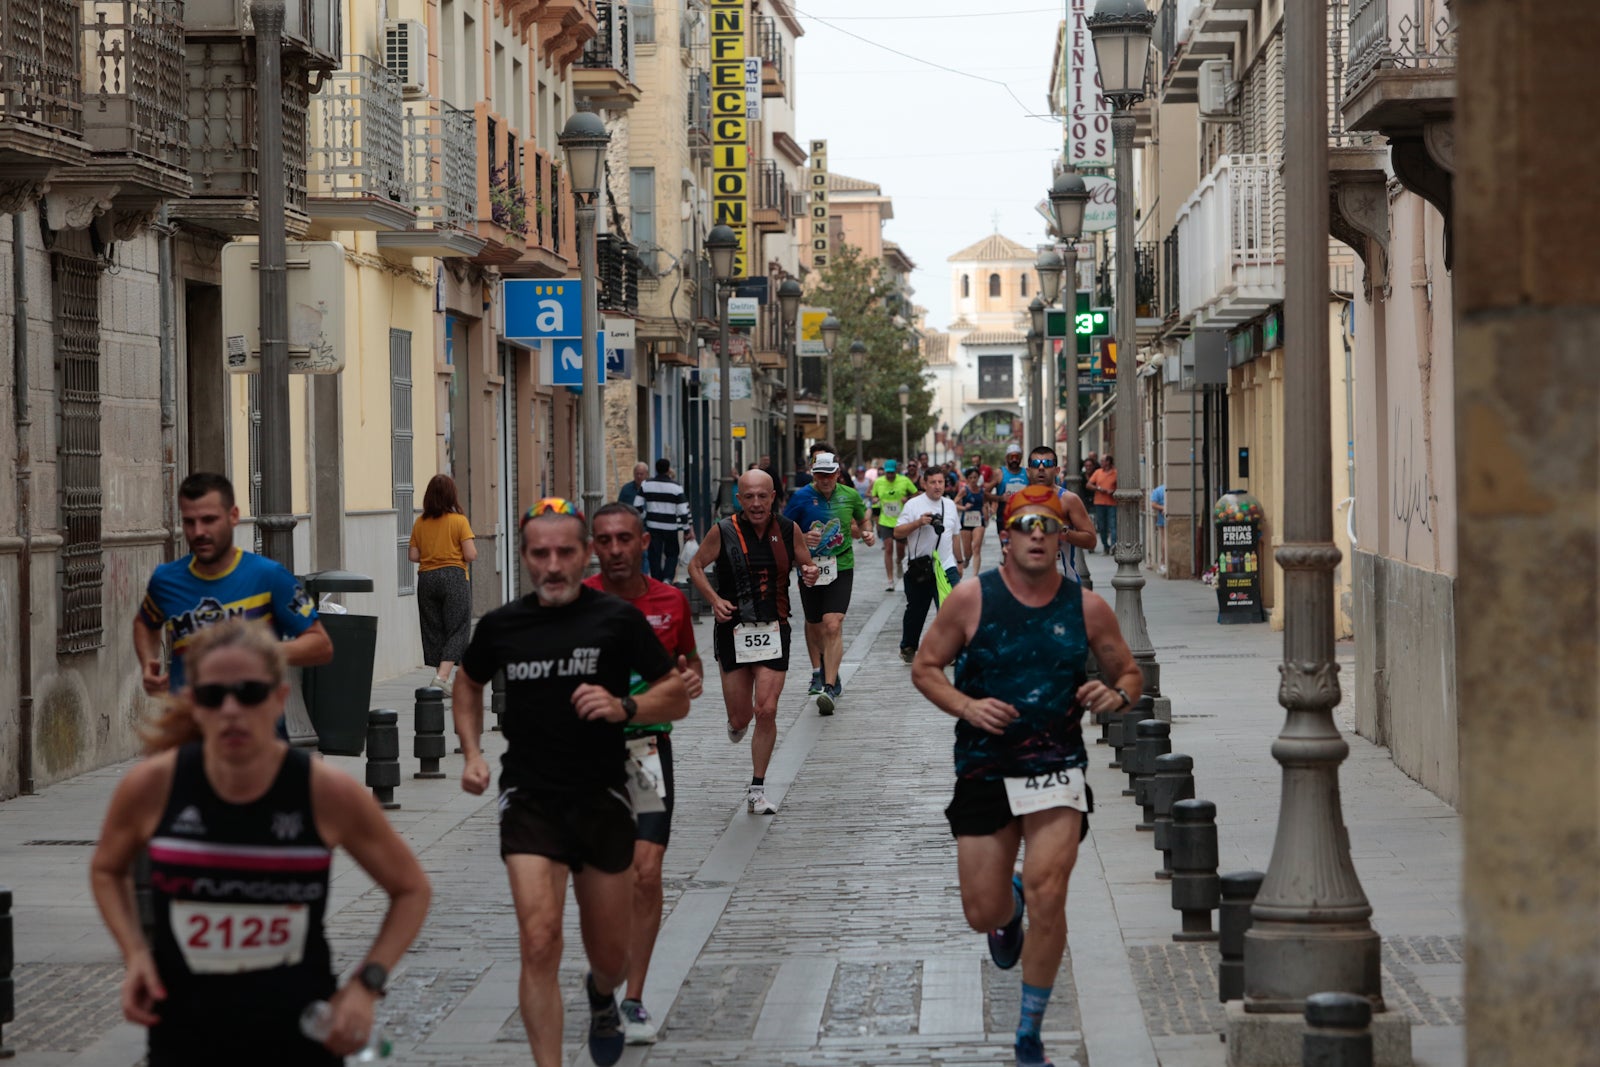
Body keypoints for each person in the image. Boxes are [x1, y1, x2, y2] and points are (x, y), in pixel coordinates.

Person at [90, 618, 431, 1066]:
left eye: (249, 693)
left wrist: (366, 986)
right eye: (213, 696)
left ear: (279, 698)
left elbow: (411, 889)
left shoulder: (324, 792)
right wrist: (135, 953)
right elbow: (106, 868)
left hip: (297, 1037)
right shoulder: (154, 785)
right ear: (193, 702)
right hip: (185, 1034)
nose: (231, 709)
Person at [452, 498, 690, 1067]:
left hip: (605, 794)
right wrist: (472, 752)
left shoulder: (616, 620)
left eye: (564, 552)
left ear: (584, 556)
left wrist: (624, 705)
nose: (553, 565)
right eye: (540, 554)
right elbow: (467, 681)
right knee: (539, 941)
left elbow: (676, 695)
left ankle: (604, 995)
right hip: (529, 798)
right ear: (524, 557)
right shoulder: (503, 625)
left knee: (611, 958)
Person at [910, 484, 1142, 1067]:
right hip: (984, 768)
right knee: (982, 912)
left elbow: (1129, 673)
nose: (1037, 535)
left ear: (1062, 537)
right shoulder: (971, 599)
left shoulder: (1087, 607)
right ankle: (1007, 908)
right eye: (1025, 526)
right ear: (1006, 536)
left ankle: (1029, 1035)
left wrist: (1116, 695)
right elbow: (926, 667)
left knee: (1050, 893)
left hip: (1056, 770)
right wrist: (966, 706)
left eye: (1049, 526)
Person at [582, 504, 704, 1045]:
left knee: (646, 873)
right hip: (585, 757)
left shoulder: (670, 601)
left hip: (644, 752)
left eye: (624, 539)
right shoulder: (577, 601)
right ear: (594, 546)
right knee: (600, 879)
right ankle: (604, 979)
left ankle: (632, 1000)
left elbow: (690, 663)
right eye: (604, 540)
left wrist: (691, 679)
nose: (614, 549)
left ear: (644, 541)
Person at [687, 470, 818, 816]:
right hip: (733, 629)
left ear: (773, 496)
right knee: (742, 716)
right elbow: (695, 566)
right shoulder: (723, 530)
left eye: (762, 496)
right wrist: (714, 600)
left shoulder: (789, 529)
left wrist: (810, 573)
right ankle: (736, 723)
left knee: (767, 709)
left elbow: (807, 565)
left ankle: (757, 789)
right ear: (739, 499)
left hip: (775, 628)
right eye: (749, 497)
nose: (756, 503)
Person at [136, 472, 332, 698]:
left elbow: (320, 645)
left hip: (255, 718)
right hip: (188, 717)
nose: (198, 532)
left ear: (234, 516)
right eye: (190, 522)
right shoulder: (166, 579)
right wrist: (148, 663)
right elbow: (144, 623)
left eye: (209, 520)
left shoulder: (270, 576)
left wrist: (259, 652)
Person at [782, 451, 874, 714]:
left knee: (832, 624)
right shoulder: (801, 497)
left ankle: (830, 687)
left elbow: (862, 518)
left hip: (841, 566)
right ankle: (820, 670)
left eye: (829, 474)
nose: (825, 479)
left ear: (837, 474)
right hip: (810, 567)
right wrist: (802, 538)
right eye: (820, 475)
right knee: (814, 623)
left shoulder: (850, 495)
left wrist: (867, 532)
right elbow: (784, 529)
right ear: (814, 474)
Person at [409, 473, 478, 689]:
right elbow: (470, 554)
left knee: (433, 629)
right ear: (451, 496)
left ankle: (441, 678)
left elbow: (413, 555)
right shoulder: (459, 521)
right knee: (458, 628)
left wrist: (433, 552)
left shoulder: (420, 523)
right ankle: (442, 678)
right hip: (454, 577)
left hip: (427, 579)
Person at [894, 468, 962, 663]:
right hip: (920, 568)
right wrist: (918, 523)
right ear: (924, 484)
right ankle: (908, 646)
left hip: (945, 566)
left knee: (951, 610)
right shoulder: (913, 505)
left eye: (941, 482)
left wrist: (959, 561)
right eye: (933, 482)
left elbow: (955, 535)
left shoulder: (950, 505)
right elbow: (897, 533)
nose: (937, 486)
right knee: (916, 611)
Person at [1024, 446, 1098, 583]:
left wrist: (1063, 532)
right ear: (1028, 471)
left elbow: (1091, 541)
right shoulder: (1017, 502)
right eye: (1035, 464)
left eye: (1047, 464)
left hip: (1064, 584)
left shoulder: (1068, 500)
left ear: (1057, 470)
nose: (1041, 468)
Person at [636, 458, 693, 582]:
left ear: (656, 469)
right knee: (672, 554)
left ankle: (657, 579)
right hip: (670, 527)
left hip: (652, 526)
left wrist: (645, 516)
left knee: (654, 555)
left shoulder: (646, 484)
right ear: (668, 470)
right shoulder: (676, 487)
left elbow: (637, 506)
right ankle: (667, 577)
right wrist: (686, 529)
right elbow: (683, 511)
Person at [870, 460, 918, 592]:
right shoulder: (878, 482)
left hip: (901, 521)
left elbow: (916, 494)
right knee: (888, 548)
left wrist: (908, 499)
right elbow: (873, 496)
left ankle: (899, 561)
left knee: (901, 551)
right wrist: (875, 500)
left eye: (892, 473)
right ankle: (890, 580)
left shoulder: (904, 480)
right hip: (885, 521)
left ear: (896, 471)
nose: (890, 475)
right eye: (888, 473)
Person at [988, 444, 1032, 546]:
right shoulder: (999, 473)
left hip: (1023, 514)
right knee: (1006, 547)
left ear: (1021, 458)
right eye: (1011, 457)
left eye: (1017, 457)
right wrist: (1000, 498)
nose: (1014, 460)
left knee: (1022, 547)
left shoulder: (1027, 473)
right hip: (1004, 515)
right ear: (1006, 458)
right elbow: (985, 493)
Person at [957, 467, 990, 574]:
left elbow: (985, 503)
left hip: (979, 521)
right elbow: (954, 503)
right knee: (967, 551)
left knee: (976, 548)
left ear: (978, 478)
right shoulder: (964, 490)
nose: (973, 480)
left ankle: (975, 575)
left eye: (975, 477)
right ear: (967, 479)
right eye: (970, 478)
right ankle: (967, 558)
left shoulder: (982, 491)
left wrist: (987, 512)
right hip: (966, 521)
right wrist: (963, 508)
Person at [1088, 454, 1119, 554]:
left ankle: (1113, 546)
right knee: (1101, 526)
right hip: (1099, 502)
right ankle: (1106, 546)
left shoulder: (1115, 473)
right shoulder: (1098, 472)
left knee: (1112, 525)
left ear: (1108, 462)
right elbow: (1088, 485)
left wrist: (1113, 491)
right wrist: (1099, 489)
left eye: (1102, 461)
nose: (1101, 462)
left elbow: (1120, 487)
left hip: (1112, 503)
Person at [1150, 483, 1167, 575]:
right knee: (1165, 540)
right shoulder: (1160, 490)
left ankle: (1164, 562)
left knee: (1164, 540)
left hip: (1162, 518)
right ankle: (1164, 562)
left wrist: (1163, 507)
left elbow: (1153, 504)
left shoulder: (1158, 490)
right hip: (1163, 519)